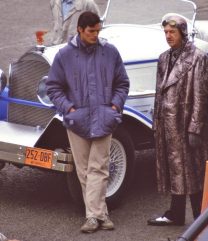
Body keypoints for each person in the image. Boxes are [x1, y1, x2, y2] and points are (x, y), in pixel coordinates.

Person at [46, 11, 129, 233]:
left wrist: (114, 107)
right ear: (80, 30)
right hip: (77, 121)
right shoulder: (64, 55)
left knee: (98, 168)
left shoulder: (109, 52)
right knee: (84, 171)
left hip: (104, 119)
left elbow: (122, 83)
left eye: (98, 31)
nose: (95, 35)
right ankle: (101, 214)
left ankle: (93, 217)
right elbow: (53, 87)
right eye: (91, 31)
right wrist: (69, 109)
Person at [147, 14, 208, 226]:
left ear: (183, 33)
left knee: (192, 172)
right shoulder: (163, 58)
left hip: (187, 126)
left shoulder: (198, 58)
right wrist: (156, 122)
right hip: (169, 125)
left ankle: (199, 217)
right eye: (166, 32)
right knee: (176, 170)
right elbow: (159, 93)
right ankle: (175, 213)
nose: (168, 36)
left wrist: (195, 128)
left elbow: (203, 97)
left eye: (172, 32)